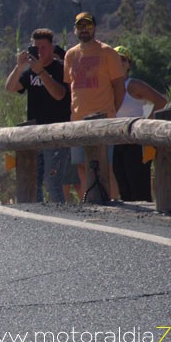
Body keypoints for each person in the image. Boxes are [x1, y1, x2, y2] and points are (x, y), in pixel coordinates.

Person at [63, 12, 125, 201]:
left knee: (105, 166)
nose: (84, 30)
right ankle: (90, 201)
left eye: (88, 26)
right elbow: (69, 86)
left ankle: (114, 202)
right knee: (82, 165)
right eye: (80, 26)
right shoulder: (70, 55)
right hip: (78, 120)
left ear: (94, 28)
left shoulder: (108, 52)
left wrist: (112, 111)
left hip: (103, 119)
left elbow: (119, 87)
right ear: (75, 29)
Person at [4, 28, 71, 203]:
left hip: (57, 132)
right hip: (34, 133)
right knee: (34, 181)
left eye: (44, 47)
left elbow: (59, 94)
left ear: (52, 47)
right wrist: (19, 68)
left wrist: (42, 72)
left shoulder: (61, 69)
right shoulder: (30, 72)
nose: (40, 51)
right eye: (36, 47)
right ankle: (39, 218)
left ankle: (59, 218)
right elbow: (10, 87)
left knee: (52, 182)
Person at [111, 46, 167, 201]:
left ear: (129, 64)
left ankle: (146, 221)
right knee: (123, 186)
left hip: (136, 140)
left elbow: (161, 101)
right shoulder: (108, 86)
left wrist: (147, 121)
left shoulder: (133, 85)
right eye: (116, 60)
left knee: (139, 186)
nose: (119, 63)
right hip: (116, 140)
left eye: (123, 59)